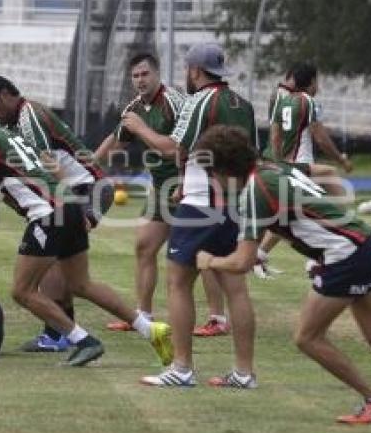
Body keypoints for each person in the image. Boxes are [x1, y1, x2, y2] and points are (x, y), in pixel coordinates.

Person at [194, 125, 371, 424]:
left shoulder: (254, 190)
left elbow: (241, 262)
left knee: (308, 338)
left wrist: (210, 260)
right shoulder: (273, 168)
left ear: (225, 169)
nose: (212, 179)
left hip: (345, 255)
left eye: (212, 172)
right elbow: (322, 177)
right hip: (364, 241)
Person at [0, 93, 172, 367]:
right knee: (81, 284)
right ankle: (151, 330)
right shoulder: (0, 134)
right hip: (70, 208)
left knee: (22, 291)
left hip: (48, 215)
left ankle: (84, 341)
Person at [121, 42, 259, 389]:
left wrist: (138, 128)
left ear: (195, 71)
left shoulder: (199, 101)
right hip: (235, 204)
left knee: (178, 283)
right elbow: (253, 158)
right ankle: (244, 373)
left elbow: (172, 147)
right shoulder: (242, 104)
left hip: (200, 204)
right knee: (237, 289)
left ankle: (181, 369)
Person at [0, 74, 114, 352]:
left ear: (4, 94)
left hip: (86, 190)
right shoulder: (15, 119)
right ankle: (65, 330)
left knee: (55, 257)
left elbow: (46, 165)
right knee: (67, 267)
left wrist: (61, 203)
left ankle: (59, 332)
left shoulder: (29, 116)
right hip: (79, 190)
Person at [94, 52, 229, 337]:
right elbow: (117, 141)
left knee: (201, 255)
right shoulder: (134, 108)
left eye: (145, 74)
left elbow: (183, 144)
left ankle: (218, 318)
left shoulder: (175, 102)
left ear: (157, 75)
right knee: (144, 246)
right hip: (160, 188)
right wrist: (90, 164)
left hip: (188, 186)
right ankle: (142, 316)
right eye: (135, 76)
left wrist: (186, 182)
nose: (140, 80)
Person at [258, 64, 352, 273]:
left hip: (284, 164)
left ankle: (261, 254)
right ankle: (323, 255)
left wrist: (277, 162)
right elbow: (320, 137)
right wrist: (341, 160)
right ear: (311, 82)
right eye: (317, 81)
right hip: (301, 164)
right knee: (330, 193)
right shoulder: (308, 101)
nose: (318, 85)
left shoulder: (283, 101)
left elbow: (274, 135)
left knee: (292, 214)